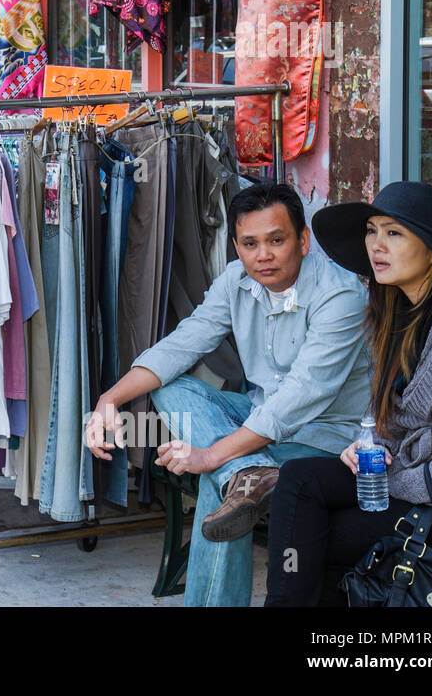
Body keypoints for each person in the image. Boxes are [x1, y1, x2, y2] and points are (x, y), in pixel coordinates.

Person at [84, 180, 372, 606]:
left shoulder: (341, 295)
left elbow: (301, 396)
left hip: (324, 437)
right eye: (250, 243)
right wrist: (109, 399)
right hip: (257, 418)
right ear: (236, 246)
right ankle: (249, 474)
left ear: (304, 239)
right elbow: (183, 344)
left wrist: (214, 455)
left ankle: (242, 476)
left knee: (221, 486)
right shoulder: (236, 279)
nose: (263, 255)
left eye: (277, 240)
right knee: (175, 387)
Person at [265, 181, 432, 606]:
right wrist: (365, 446)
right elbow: (387, 421)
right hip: (409, 473)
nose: (376, 245)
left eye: (394, 233)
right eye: (372, 231)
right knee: (298, 480)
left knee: (322, 539)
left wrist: (395, 481)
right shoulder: (393, 315)